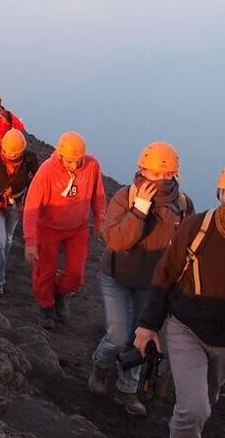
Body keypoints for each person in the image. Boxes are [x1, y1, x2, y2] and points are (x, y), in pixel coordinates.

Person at [89, 142, 193, 416]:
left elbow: (186, 248)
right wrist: (140, 210)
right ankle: (101, 365)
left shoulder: (182, 206)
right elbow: (117, 240)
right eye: (156, 174)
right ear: (142, 170)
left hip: (152, 284)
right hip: (118, 277)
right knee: (118, 334)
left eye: (167, 175)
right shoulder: (125, 198)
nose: (161, 180)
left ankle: (127, 390)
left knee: (142, 338)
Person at [133, 168, 225, 438]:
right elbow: (166, 274)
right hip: (187, 329)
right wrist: (148, 326)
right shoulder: (197, 228)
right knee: (194, 409)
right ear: (220, 194)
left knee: (206, 404)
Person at [23, 131, 106, 330]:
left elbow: (98, 193)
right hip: (49, 229)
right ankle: (46, 307)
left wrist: (99, 221)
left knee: (76, 275)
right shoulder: (47, 171)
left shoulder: (91, 166)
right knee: (45, 271)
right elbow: (31, 208)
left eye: (77, 160)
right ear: (60, 155)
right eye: (69, 161)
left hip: (78, 228)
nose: (74, 165)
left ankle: (59, 293)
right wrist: (31, 241)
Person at [0, 129, 38, 295]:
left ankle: (0, 268)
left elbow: (36, 182)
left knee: (8, 240)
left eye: (15, 154)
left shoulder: (30, 159)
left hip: (16, 204)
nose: (12, 156)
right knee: (0, 242)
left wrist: (27, 203)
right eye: (9, 153)